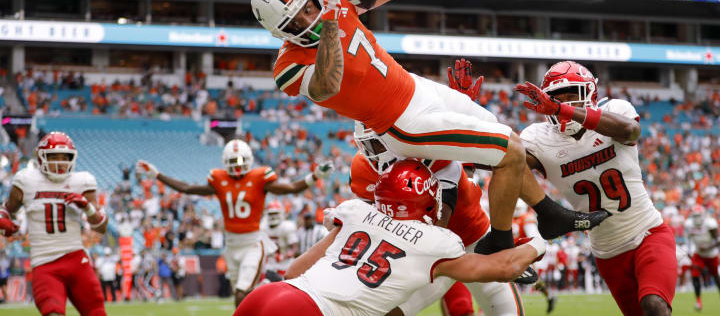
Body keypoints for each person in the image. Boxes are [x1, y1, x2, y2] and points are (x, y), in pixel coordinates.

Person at [253, 0, 607, 256]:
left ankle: (549, 213)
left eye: (309, 8)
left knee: (505, 134)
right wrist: (330, 15)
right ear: (280, 33)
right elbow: (328, 82)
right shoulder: (289, 64)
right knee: (509, 151)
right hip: (402, 123)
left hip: (416, 87)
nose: (308, 20)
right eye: (295, 23)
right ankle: (499, 239)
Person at [234, 159, 546, 316]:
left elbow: (292, 272)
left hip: (273, 294)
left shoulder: (356, 211)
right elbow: (502, 268)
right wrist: (538, 242)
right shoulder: (436, 242)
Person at [515, 61, 677, 316]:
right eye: (557, 99)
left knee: (655, 306)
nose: (565, 104)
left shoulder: (615, 109)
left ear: (590, 95)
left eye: (572, 97)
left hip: (648, 232)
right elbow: (503, 163)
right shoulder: (539, 137)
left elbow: (631, 131)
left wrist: (562, 109)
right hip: (607, 251)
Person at [349, 121, 526, 316]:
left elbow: (441, 223)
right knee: (388, 312)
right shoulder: (362, 168)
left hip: (471, 239)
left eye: (378, 143)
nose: (371, 153)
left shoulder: (431, 151)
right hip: (419, 251)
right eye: (367, 145)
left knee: (508, 312)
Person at [136, 139, 334, 307]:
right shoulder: (219, 179)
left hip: (253, 243)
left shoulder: (258, 177)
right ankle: (267, 289)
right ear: (224, 162)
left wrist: (314, 176)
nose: (237, 166)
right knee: (240, 298)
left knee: (241, 292)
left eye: (241, 161)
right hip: (231, 245)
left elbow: (289, 187)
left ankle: (267, 287)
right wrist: (157, 175)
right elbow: (188, 188)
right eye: (233, 162)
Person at [0, 132, 108, 316]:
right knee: (53, 312)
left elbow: (101, 227)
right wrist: (4, 223)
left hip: (76, 260)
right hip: (44, 262)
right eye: (53, 157)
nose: (59, 162)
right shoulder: (27, 180)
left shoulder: (81, 181)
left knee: (96, 313)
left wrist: (87, 208)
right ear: (42, 158)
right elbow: (7, 210)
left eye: (64, 157)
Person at [684, 204, 720, 311]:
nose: (696, 218)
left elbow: (718, 240)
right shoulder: (689, 224)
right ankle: (698, 301)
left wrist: (708, 247)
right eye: (694, 216)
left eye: (698, 215)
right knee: (694, 274)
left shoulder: (710, 223)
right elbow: (688, 239)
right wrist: (689, 251)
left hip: (711, 254)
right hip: (698, 254)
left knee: (716, 277)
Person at [262, 201, 299, 280]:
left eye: (275, 213)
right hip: (269, 264)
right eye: (270, 214)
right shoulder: (263, 227)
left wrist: (284, 256)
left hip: (285, 265)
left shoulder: (286, 226)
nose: (273, 216)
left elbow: (295, 248)